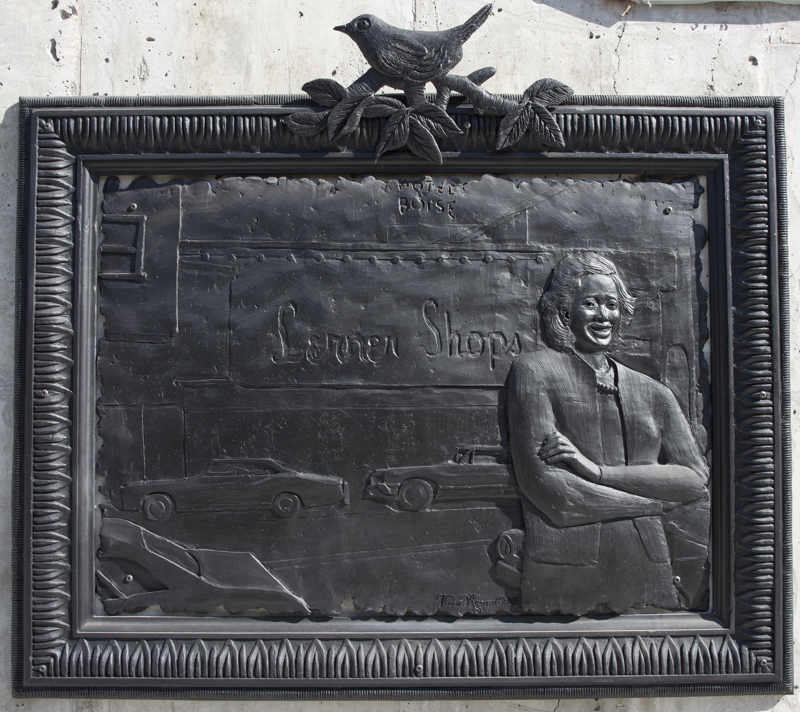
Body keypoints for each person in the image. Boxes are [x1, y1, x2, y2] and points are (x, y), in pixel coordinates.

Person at [507, 252, 709, 615]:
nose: (604, 316)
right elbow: (556, 496)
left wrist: (599, 473)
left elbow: (694, 480)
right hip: (564, 572)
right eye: (590, 303)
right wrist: (656, 502)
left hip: (649, 567)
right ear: (565, 313)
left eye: (611, 305)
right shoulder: (534, 372)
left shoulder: (654, 392)